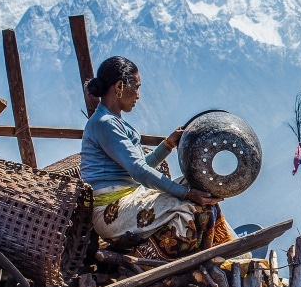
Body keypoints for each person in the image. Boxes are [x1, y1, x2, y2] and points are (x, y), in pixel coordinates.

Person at [80, 56, 232, 260]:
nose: (138, 96)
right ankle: (159, 257)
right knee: (188, 206)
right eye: (136, 87)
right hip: (111, 211)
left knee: (198, 188)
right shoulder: (104, 123)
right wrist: (185, 194)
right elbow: (139, 170)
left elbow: (139, 168)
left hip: (129, 199)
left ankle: (226, 252)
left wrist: (168, 145)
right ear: (119, 86)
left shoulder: (113, 122)